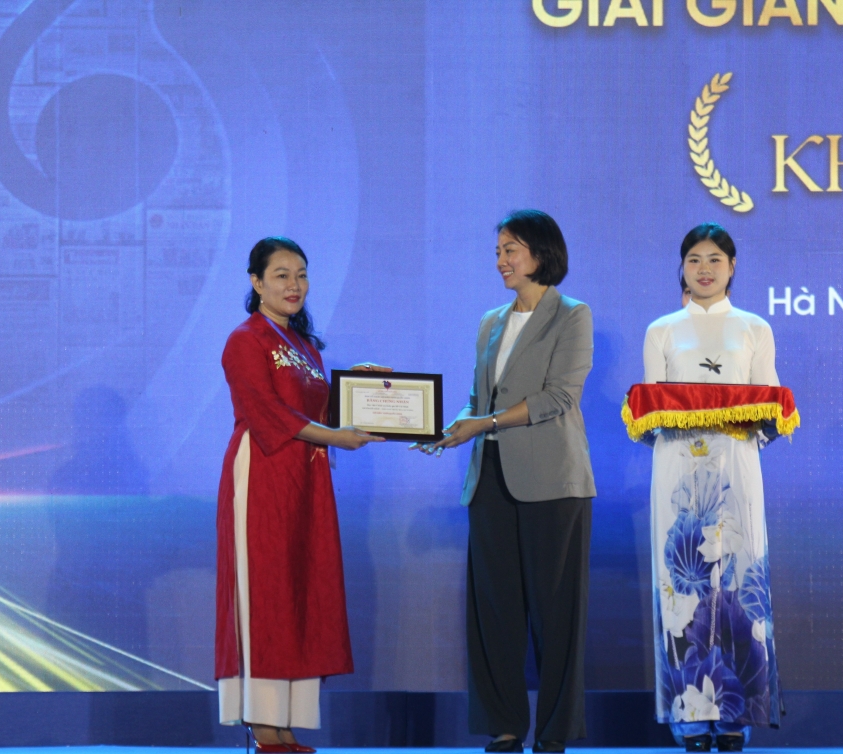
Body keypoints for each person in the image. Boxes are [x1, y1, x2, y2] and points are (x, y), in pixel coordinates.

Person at [416, 210, 595, 753]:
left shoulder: (572, 314)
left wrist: (485, 422)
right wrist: (450, 428)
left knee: (556, 613)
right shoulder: (490, 321)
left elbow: (558, 397)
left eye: (510, 249)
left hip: (554, 483)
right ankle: (505, 726)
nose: (500, 260)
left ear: (540, 252)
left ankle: (555, 731)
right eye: (497, 250)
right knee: (494, 610)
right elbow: (480, 400)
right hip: (490, 478)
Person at [215, 237, 388, 753]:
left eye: (302, 275)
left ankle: (286, 722)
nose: (294, 285)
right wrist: (334, 435)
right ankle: (262, 722)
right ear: (256, 282)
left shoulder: (303, 345)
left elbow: (318, 412)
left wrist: (362, 390)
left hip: (306, 481)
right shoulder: (245, 339)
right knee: (267, 591)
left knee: (302, 591)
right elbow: (269, 412)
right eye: (282, 275)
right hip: (263, 475)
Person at [642, 224, 783, 753]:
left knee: (739, 581)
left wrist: (741, 426)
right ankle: (690, 719)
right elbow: (649, 412)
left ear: (733, 267)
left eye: (715, 259)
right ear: (682, 267)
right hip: (677, 467)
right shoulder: (662, 330)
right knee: (683, 586)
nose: (704, 269)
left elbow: (771, 405)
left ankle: (734, 719)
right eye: (695, 259)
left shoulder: (754, 327)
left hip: (737, 464)